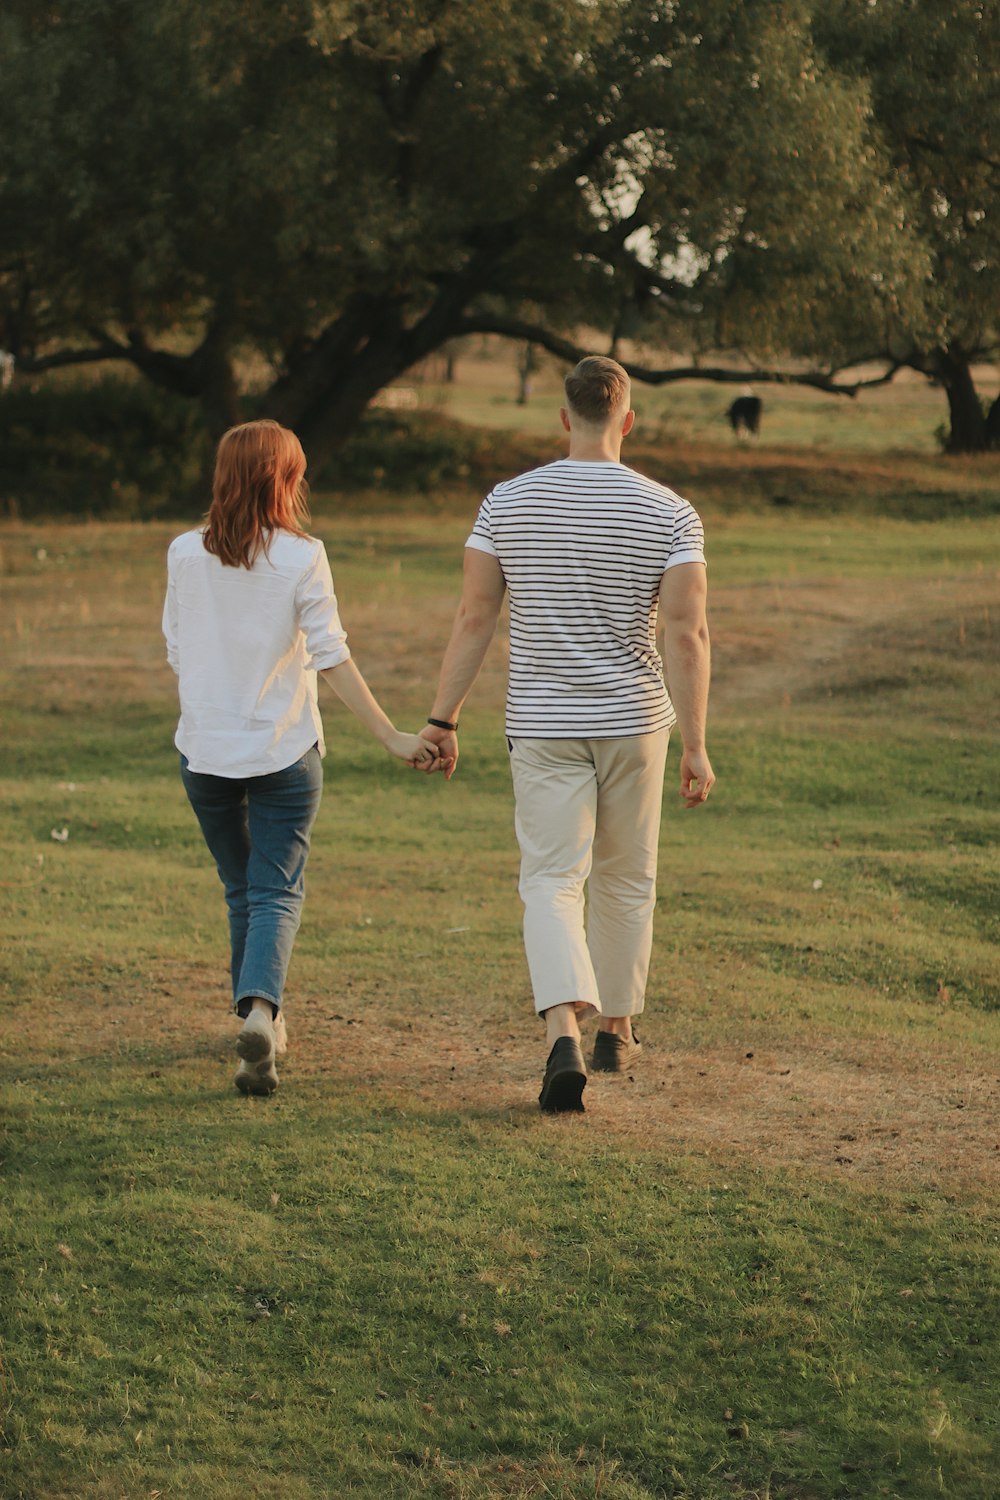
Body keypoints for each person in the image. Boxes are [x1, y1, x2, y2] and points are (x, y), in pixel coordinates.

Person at [420, 357, 714, 1113]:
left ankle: (562, 1030)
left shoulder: (506, 503)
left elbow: (474, 616)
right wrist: (698, 744)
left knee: (551, 878)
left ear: (563, 417)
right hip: (637, 721)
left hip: (546, 723)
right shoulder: (671, 512)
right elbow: (686, 632)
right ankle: (616, 1027)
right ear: (627, 419)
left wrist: (443, 717)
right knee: (627, 875)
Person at [163, 419, 439, 1096]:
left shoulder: (182, 553)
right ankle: (261, 1011)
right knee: (276, 889)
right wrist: (394, 737)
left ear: (224, 477)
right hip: (284, 750)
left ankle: (258, 1016)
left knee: (243, 888)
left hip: (204, 753)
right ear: (286, 480)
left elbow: (177, 645)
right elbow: (330, 655)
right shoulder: (302, 556)